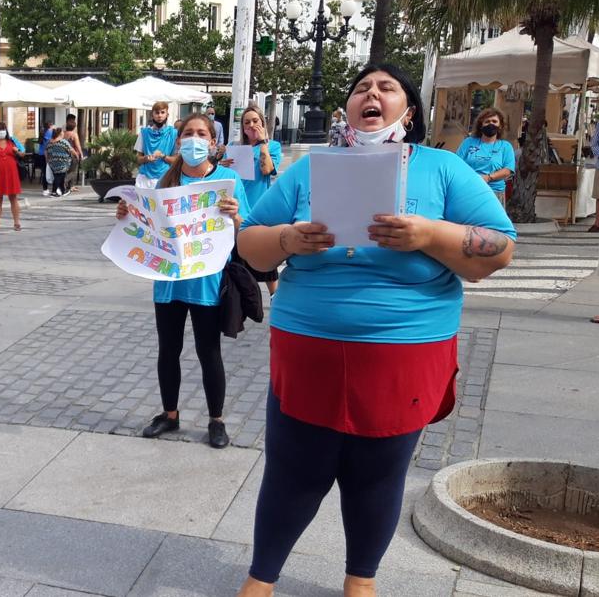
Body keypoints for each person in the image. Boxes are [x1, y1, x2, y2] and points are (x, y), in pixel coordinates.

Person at [234, 64, 516, 597]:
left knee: (379, 473)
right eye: (362, 88)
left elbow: (498, 250)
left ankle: (360, 579)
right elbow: (250, 244)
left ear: (408, 112)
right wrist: (290, 240)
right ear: (347, 109)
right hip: (308, 347)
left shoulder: (442, 170)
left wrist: (429, 233)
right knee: (293, 468)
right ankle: (261, 576)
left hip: (403, 352)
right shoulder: (309, 169)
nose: (372, 94)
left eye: (387, 88)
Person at [120, 113, 245, 449]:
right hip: (169, 283)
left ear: (212, 141)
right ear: (178, 142)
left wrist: (235, 216)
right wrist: (127, 214)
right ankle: (169, 414)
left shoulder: (228, 181)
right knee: (168, 350)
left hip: (207, 283)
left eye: (201, 133)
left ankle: (216, 420)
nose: (194, 139)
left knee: (209, 352)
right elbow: (150, 227)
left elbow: (246, 233)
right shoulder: (166, 183)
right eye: (188, 133)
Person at [224, 107, 283, 296]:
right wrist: (221, 164)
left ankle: (276, 298)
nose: (251, 125)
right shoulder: (235, 148)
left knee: (264, 259)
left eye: (255, 121)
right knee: (238, 255)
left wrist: (264, 142)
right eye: (247, 122)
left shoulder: (272, 146)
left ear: (263, 123)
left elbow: (267, 170)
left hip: (259, 208)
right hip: (237, 207)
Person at [455, 108, 516, 208]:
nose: (491, 124)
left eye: (494, 121)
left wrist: (488, 178)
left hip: (494, 193)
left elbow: (508, 170)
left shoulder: (505, 146)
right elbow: (457, 163)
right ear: (481, 125)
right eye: (487, 121)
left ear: (500, 126)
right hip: (469, 191)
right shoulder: (469, 142)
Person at [46, 130, 76, 197]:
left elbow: (46, 151)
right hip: (62, 162)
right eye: (62, 133)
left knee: (60, 176)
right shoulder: (64, 142)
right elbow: (71, 150)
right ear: (59, 134)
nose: (63, 134)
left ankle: (63, 191)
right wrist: (76, 155)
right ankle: (54, 192)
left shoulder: (50, 142)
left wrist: (47, 160)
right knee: (58, 176)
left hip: (52, 163)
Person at [38, 124, 56, 196]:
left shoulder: (43, 132)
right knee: (53, 172)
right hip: (48, 155)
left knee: (44, 172)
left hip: (40, 154)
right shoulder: (50, 132)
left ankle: (45, 189)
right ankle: (54, 189)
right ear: (50, 126)